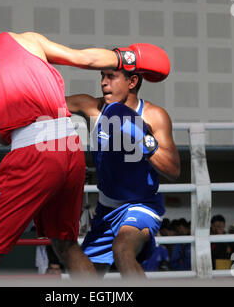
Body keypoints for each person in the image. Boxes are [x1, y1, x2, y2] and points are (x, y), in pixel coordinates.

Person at [0, 0, 168, 276]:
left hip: (33, 152)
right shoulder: (29, 40)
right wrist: (128, 58)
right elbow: (84, 59)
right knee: (66, 245)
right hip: (69, 146)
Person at [65, 64, 179, 277]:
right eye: (102, 76)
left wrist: (142, 137)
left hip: (141, 205)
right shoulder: (92, 108)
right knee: (85, 275)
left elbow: (173, 169)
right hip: (106, 209)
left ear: (132, 82)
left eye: (111, 77)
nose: (103, 82)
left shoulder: (154, 116)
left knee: (122, 250)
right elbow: (47, 104)